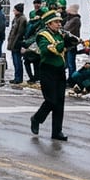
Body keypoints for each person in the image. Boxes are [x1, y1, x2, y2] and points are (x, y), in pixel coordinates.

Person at [29, 10, 69, 141]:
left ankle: (57, 131)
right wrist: (64, 44)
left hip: (60, 70)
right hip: (47, 70)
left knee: (60, 102)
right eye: (56, 22)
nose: (59, 24)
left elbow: (64, 48)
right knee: (51, 100)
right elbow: (46, 50)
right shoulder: (42, 35)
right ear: (49, 23)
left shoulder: (60, 34)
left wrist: (72, 42)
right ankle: (36, 118)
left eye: (60, 22)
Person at [6, 3, 27, 84]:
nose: (13, 11)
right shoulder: (16, 18)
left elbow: (20, 32)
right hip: (13, 42)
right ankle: (16, 77)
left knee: (18, 61)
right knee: (15, 61)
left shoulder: (22, 19)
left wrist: (15, 42)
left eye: (15, 10)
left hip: (17, 43)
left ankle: (19, 78)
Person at [62, 5, 81, 77]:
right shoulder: (69, 19)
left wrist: (63, 30)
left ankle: (72, 79)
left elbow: (67, 29)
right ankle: (70, 78)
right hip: (67, 43)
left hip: (72, 44)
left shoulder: (75, 19)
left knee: (71, 63)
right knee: (68, 63)